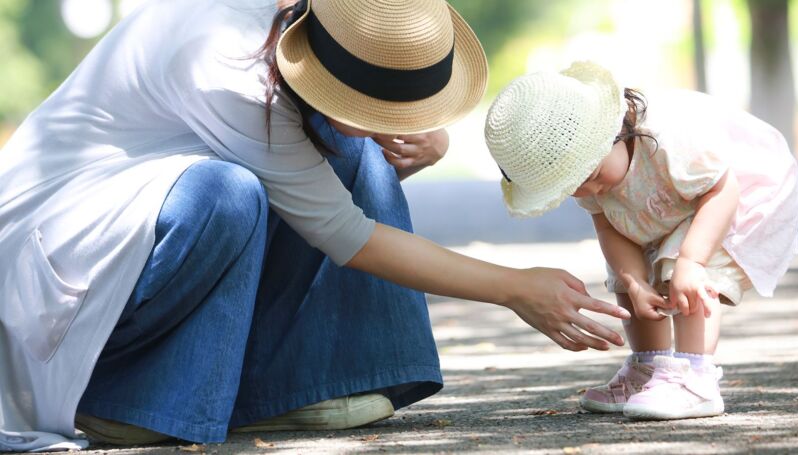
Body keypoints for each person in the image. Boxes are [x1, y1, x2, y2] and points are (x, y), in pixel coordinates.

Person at [0, 1, 633, 452]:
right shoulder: (229, 65)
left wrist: (419, 133)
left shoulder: (312, 27)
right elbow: (344, 234)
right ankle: (120, 393)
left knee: (342, 149)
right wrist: (514, 286)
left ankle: (310, 379)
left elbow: (326, 196)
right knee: (230, 191)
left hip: (150, 212)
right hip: (66, 244)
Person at [484, 61, 798, 420]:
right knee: (627, 274)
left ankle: (695, 377)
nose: (588, 190)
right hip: (670, 207)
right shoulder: (588, 178)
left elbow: (721, 189)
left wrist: (692, 262)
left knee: (681, 272)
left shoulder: (670, 140)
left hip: (735, 195)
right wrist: (634, 283)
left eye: (592, 174)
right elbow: (609, 228)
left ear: (616, 133)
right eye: (570, 188)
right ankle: (650, 368)